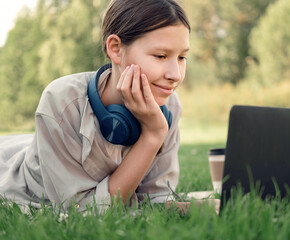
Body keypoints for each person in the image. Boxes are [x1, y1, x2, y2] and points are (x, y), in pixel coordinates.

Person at [0, 0, 190, 212]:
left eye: (182, 57)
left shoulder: (169, 104)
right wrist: (153, 136)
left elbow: (155, 200)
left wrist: (204, 207)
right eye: (161, 56)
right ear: (116, 49)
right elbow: (81, 211)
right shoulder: (62, 102)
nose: (175, 74)